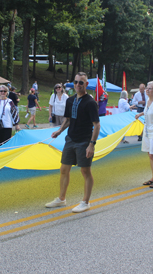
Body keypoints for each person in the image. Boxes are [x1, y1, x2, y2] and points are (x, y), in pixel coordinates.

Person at [45, 72, 100, 213]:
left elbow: (97, 124)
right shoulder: (70, 101)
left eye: (81, 82)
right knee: (63, 169)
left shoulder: (90, 102)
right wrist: (59, 131)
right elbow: (68, 120)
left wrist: (91, 144)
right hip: (70, 139)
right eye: (75, 82)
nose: (77, 85)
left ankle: (85, 202)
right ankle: (61, 199)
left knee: (85, 171)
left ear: (86, 84)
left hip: (84, 141)